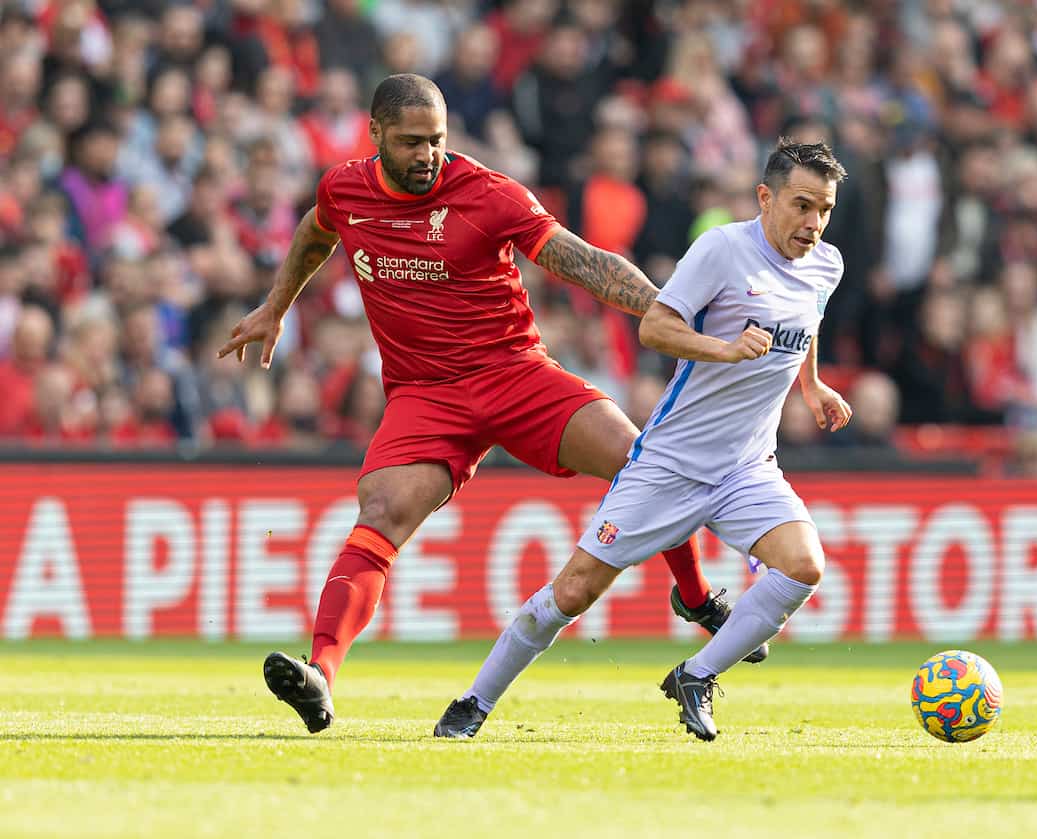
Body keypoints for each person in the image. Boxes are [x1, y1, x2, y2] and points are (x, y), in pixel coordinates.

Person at [217, 74, 762, 734]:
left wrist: (677, 318)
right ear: (376, 135)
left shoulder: (486, 192)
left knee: (639, 457)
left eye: (437, 141)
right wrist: (275, 307)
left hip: (514, 374)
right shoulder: (345, 188)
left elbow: (585, 263)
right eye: (412, 142)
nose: (427, 155)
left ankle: (699, 599)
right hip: (425, 393)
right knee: (382, 510)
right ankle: (321, 675)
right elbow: (316, 229)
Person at [433, 140, 853, 742]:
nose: (813, 223)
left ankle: (696, 676)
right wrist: (724, 349)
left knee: (804, 566)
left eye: (825, 210)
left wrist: (812, 388)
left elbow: (805, 320)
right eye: (801, 205)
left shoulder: (826, 264)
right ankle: (474, 701)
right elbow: (656, 326)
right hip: (671, 464)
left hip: (747, 468)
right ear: (766, 198)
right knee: (575, 591)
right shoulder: (722, 250)